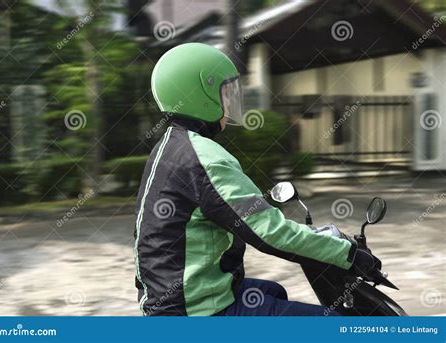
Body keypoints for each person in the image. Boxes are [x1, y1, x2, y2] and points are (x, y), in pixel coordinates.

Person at [134, 42, 380, 316]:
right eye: (225, 93)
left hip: (170, 298)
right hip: (195, 310)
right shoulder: (205, 158)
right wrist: (347, 254)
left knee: (273, 292)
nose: (229, 102)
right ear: (202, 92)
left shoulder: (169, 146)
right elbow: (267, 232)